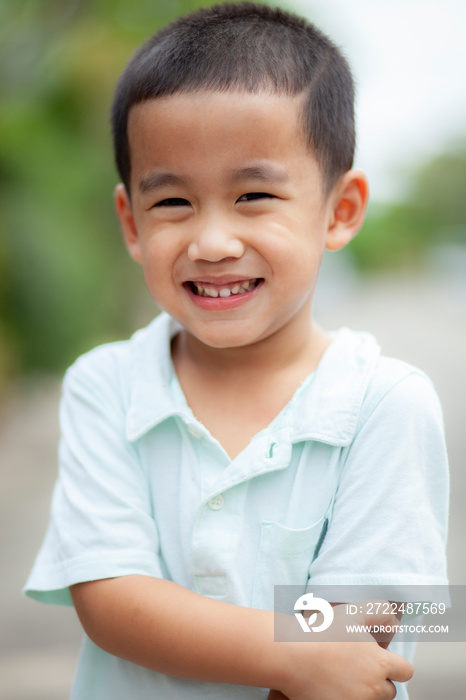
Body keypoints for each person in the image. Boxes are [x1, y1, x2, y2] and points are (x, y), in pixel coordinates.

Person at [24, 3, 449, 699]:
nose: (212, 242)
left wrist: (314, 653)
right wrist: (290, 653)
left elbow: (382, 618)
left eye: (253, 194)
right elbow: (109, 597)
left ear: (339, 211)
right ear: (131, 222)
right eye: (173, 204)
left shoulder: (387, 402)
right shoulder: (105, 385)